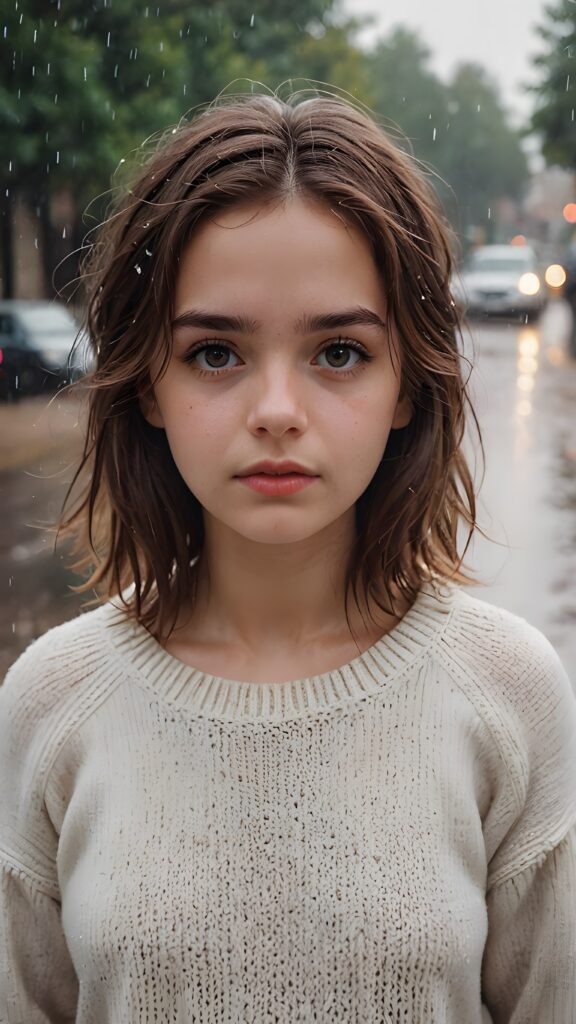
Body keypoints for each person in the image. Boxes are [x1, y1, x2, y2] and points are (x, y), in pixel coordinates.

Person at [1, 90, 575, 1024]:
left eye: (340, 351)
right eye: (217, 353)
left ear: (405, 386)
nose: (276, 407)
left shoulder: (506, 694)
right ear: (148, 383)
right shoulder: (52, 705)